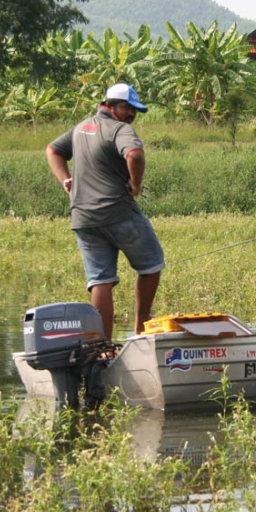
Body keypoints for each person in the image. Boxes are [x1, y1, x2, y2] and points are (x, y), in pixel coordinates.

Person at [46, 83, 165, 338]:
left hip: (83, 217)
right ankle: (142, 323)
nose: (132, 114)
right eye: (127, 107)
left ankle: (102, 346)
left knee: (100, 280)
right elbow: (134, 154)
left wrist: (65, 179)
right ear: (110, 105)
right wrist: (135, 185)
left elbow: (53, 150)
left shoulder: (81, 128)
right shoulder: (120, 129)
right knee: (152, 263)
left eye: (135, 110)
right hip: (117, 211)